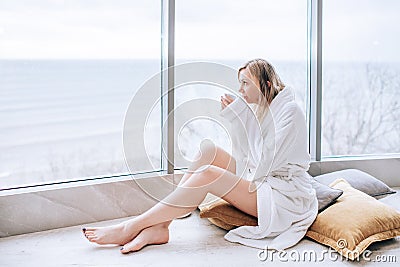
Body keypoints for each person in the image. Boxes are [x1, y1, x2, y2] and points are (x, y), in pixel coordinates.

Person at [82, 58, 318, 254]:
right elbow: (246, 156)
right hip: (263, 180)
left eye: (246, 83)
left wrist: (241, 117)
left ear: (265, 83)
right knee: (209, 150)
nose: (240, 90)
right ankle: (161, 225)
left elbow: (265, 162)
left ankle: (131, 227)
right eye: (240, 83)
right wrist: (240, 118)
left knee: (208, 175)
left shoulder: (290, 111)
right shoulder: (261, 108)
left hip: (283, 196)